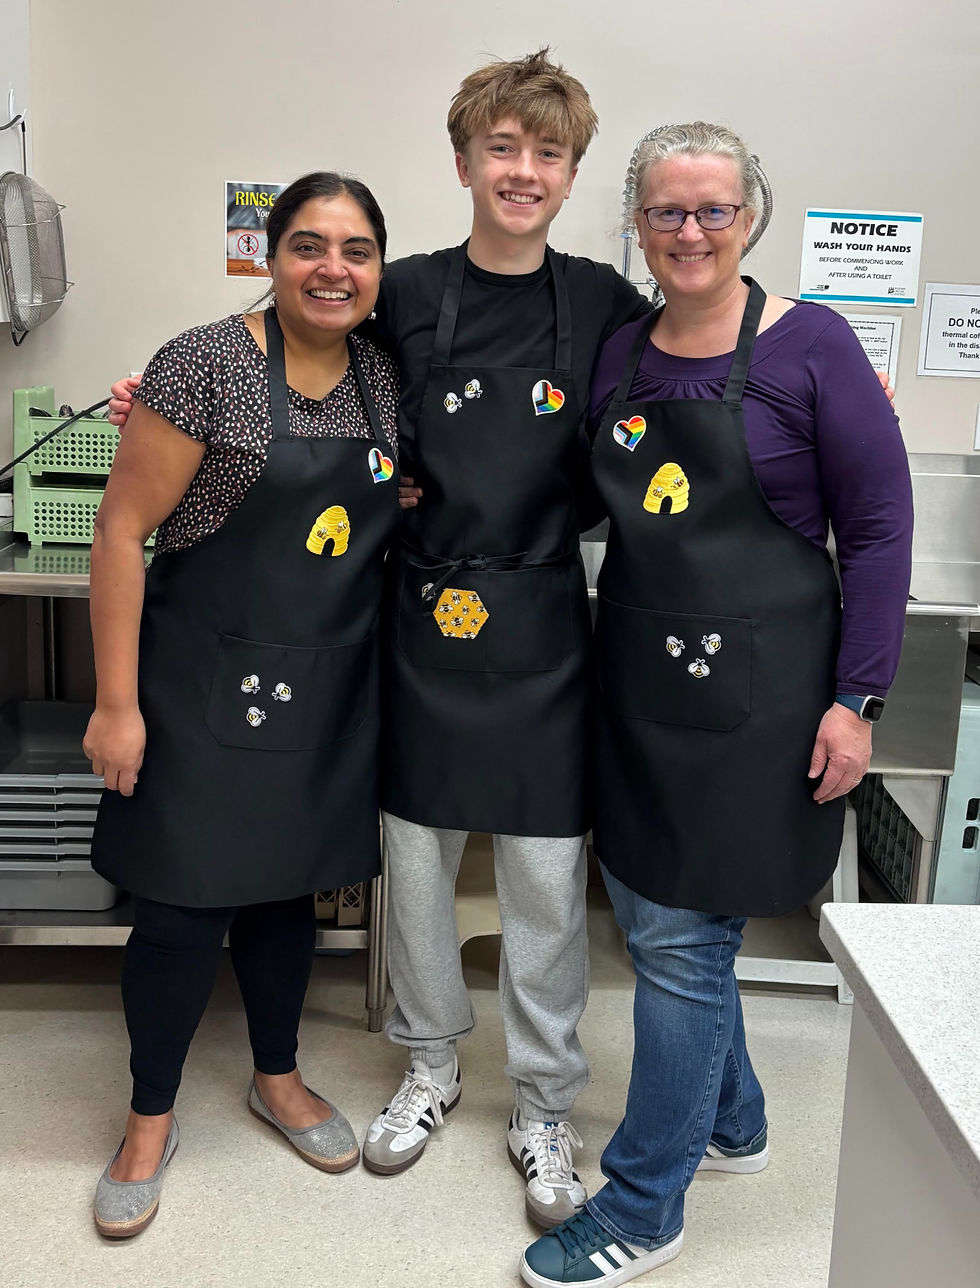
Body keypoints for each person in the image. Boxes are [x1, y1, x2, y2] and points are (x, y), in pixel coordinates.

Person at [520, 122, 913, 1286]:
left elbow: (881, 530)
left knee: (685, 946)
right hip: (640, 682)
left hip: (766, 700)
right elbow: (586, 500)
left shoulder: (813, 347)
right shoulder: (622, 352)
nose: (688, 233)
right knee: (651, 922)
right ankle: (733, 1121)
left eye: (712, 210)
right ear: (634, 224)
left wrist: (859, 696)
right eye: (663, 213)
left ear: (751, 213)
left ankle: (645, 1203)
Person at [364, 51, 654, 1227]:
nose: (521, 170)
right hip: (422, 616)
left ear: (571, 171)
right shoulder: (400, 289)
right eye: (501, 147)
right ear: (463, 159)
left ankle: (543, 1103)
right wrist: (163, 399)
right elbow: (297, 365)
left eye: (545, 153)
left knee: (542, 885)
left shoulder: (601, 303)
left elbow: (693, 381)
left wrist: (836, 387)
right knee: (419, 871)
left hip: (542, 620)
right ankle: (430, 1064)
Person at [85, 171, 401, 1238]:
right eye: (309, 245)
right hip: (194, 682)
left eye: (356, 251)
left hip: (320, 689)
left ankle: (277, 1076)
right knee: (178, 910)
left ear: (375, 272)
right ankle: (148, 1116)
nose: (332, 268)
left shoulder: (379, 376)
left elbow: (394, 498)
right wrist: (116, 705)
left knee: (283, 898)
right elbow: (120, 532)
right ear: (270, 257)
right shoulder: (204, 363)